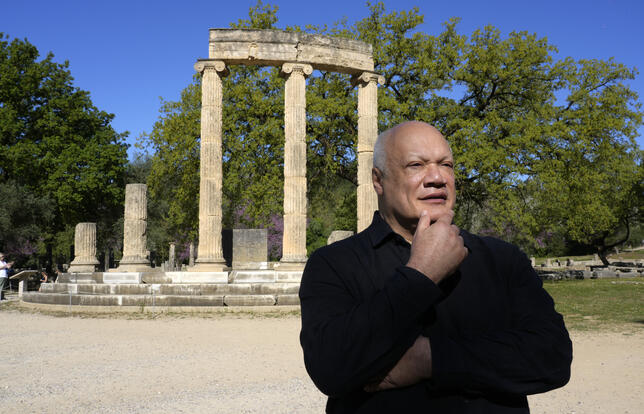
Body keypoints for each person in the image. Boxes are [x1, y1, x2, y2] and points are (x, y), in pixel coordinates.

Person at [299, 121, 572, 413]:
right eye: (416, 165)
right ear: (378, 180)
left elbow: (553, 357)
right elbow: (330, 368)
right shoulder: (333, 264)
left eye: (446, 165)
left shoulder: (502, 259)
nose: (437, 178)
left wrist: (430, 359)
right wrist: (420, 274)